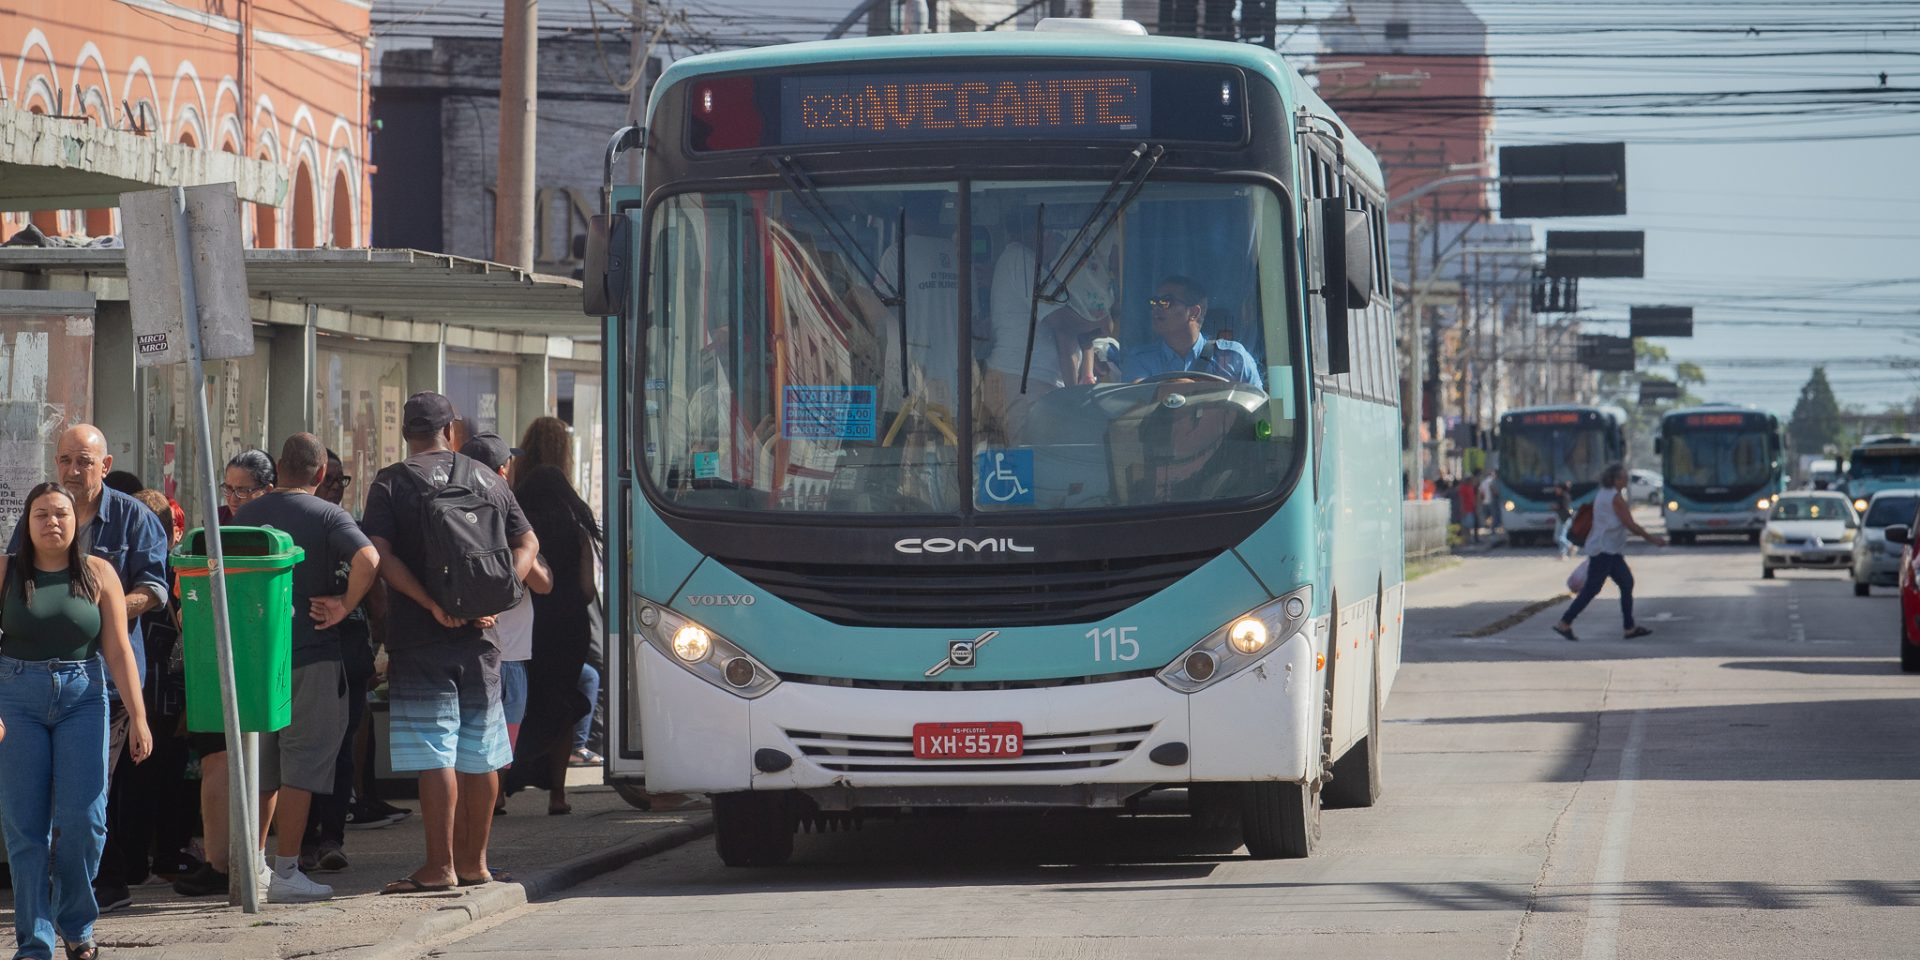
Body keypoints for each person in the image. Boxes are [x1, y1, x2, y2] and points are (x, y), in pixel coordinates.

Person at [178, 434, 381, 903]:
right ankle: (287, 869)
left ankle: (252, 867)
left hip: (253, 662)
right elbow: (369, 559)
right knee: (303, 768)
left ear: (280, 468)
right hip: (311, 655)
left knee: (261, 770)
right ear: (321, 474)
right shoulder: (329, 514)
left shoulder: (243, 516)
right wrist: (345, 604)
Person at [362, 393, 538, 893]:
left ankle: (438, 867)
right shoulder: (487, 478)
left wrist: (429, 604)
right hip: (481, 638)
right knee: (481, 751)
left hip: (420, 638)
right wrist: (503, 595)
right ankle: (476, 864)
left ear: (406, 434)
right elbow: (528, 543)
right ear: (452, 430)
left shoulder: (392, 482)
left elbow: (381, 555)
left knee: (434, 752)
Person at [6, 425, 169, 915]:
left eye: (83, 461)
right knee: (34, 808)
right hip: (27, 683)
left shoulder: (134, 517)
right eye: (65, 461)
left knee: (89, 801)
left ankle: (101, 884)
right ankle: (48, 914)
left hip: (103, 683)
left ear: (105, 462)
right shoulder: (43, 511)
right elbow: (18, 577)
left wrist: (107, 609)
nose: (73, 471)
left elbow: (157, 589)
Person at [460, 432, 552, 815]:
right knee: (485, 747)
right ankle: (485, 808)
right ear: (501, 471)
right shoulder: (483, 520)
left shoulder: (504, 520)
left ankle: (492, 803)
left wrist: (520, 552)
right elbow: (544, 582)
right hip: (494, 656)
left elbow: (544, 583)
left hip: (505, 655)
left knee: (497, 748)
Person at [501, 464, 600, 815]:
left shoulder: (517, 530)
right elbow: (588, 590)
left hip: (529, 626)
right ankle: (557, 796)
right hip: (570, 626)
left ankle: (498, 791)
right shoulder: (577, 532)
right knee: (561, 705)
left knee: (515, 705)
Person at [1553, 463, 1667, 642]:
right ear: (1614, 480)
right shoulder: (1614, 498)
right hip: (1603, 550)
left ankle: (1629, 627)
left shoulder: (1603, 494)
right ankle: (1565, 622)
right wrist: (1653, 539)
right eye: (1623, 478)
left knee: (1626, 583)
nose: (1626, 480)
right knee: (1592, 589)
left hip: (1609, 550)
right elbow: (1630, 525)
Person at [1120, 276, 1263, 389]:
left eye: (1166, 302)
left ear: (1194, 312)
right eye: (1153, 302)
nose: (1156, 308)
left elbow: (1258, 408)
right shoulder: (1139, 359)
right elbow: (1136, 401)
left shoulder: (1234, 357)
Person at [220, 449, 274, 524]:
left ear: (267, 490)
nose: (233, 500)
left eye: (241, 491)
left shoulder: (280, 522)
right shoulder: (217, 520)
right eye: (228, 488)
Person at [1551, 482, 1576, 559]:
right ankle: (1563, 553)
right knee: (1558, 537)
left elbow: (1565, 508)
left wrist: (1556, 507)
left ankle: (1570, 548)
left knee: (1561, 537)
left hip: (1565, 519)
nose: (1556, 489)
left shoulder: (1565, 496)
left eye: (1557, 488)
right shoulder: (1560, 496)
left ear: (1561, 489)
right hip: (1561, 518)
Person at [1459, 472, 1481, 543]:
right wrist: (1463, 510)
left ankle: (1470, 539)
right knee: (1466, 526)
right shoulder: (1463, 488)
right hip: (1466, 509)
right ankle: (1466, 540)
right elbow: (1461, 499)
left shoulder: (1470, 487)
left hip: (1472, 509)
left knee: (1471, 525)